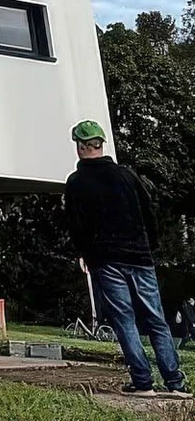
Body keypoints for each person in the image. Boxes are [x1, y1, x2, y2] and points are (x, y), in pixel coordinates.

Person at [64, 120, 191, 398]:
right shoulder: (127, 175)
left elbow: (76, 225)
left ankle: (143, 382)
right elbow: (149, 210)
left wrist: (85, 254)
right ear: (101, 145)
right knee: (157, 319)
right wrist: (150, 245)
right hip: (140, 256)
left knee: (125, 320)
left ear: (80, 147)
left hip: (107, 260)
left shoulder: (76, 183)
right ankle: (176, 383)